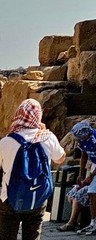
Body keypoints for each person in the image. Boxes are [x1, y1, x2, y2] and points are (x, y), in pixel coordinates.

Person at [0, 99, 66, 240]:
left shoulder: (6, 141)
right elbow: (60, 158)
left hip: (9, 198)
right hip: (38, 197)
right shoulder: (48, 138)